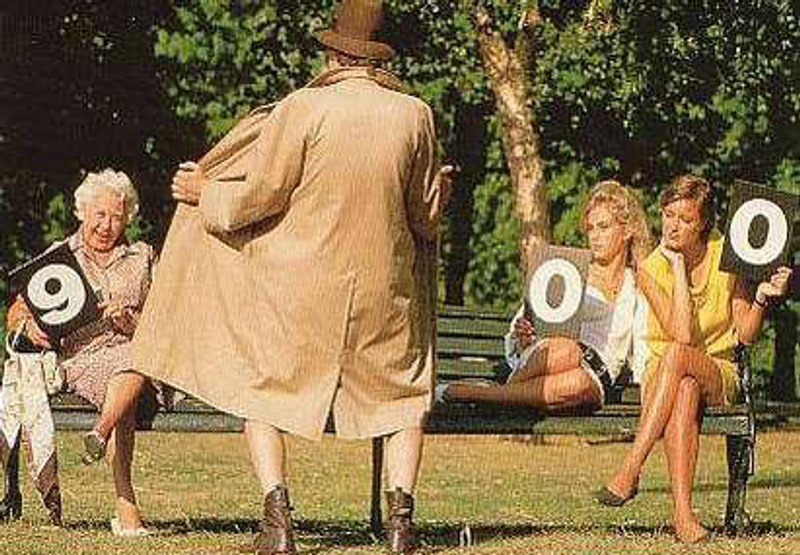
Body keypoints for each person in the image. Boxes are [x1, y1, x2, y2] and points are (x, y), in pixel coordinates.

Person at [135, 1, 453, 553]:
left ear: (333, 52)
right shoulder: (414, 115)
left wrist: (205, 193)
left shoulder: (302, 108)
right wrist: (441, 195)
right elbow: (424, 221)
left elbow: (260, 196)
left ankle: (278, 522)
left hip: (300, 295)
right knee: (404, 398)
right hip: (386, 294)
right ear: (378, 56)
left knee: (260, 391)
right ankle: (401, 527)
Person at [596, 175, 793, 543]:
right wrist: (676, 268)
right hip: (664, 375)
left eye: (685, 219)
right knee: (684, 385)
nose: (673, 226)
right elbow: (682, 334)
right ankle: (684, 517)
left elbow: (745, 334)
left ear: (703, 223)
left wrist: (763, 296)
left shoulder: (727, 255)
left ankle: (632, 467)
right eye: (668, 215)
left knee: (680, 357)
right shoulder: (651, 267)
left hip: (717, 370)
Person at [5, 169, 156, 536]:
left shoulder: (142, 256)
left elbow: (163, 322)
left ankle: (100, 433)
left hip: (136, 352)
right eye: (99, 214)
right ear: (82, 211)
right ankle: (125, 505)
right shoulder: (59, 256)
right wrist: (29, 325)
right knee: (130, 368)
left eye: (116, 216)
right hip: (82, 357)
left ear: (127, 218)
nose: (106, 225)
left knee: (134, 359)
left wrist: (130, 319)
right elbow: (17, 311)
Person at [437, 180, 652, 411]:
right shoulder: (569, 270)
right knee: (568, 351)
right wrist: (524, 336)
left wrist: (645, 387)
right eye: (590, 228)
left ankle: (481, 394)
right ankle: (492, 395)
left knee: (578, 383)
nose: (595, 236)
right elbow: (524, 325)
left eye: (603, 226)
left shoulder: (637, 284)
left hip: (593, 379)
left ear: (627, 231)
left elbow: (644, 344)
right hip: (550, 359)